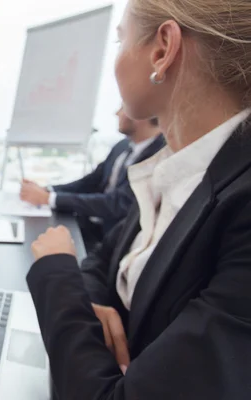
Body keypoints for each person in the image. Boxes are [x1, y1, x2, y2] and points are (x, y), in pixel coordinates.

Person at [26, 0, 251, 398]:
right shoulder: (174, 173)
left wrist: (57, 271)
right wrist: (92, 307)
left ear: (163, 50)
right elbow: (103, 261)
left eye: (120, 40)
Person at [20, 107, 164, 246]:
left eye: (123, 107)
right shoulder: (122, 146)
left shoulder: (159, 155)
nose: (117, 113)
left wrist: (49, 199)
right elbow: (90, 182)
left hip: (113, 239)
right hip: (91, 225)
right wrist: (48, 190)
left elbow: (118, 203)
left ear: (142, 114)